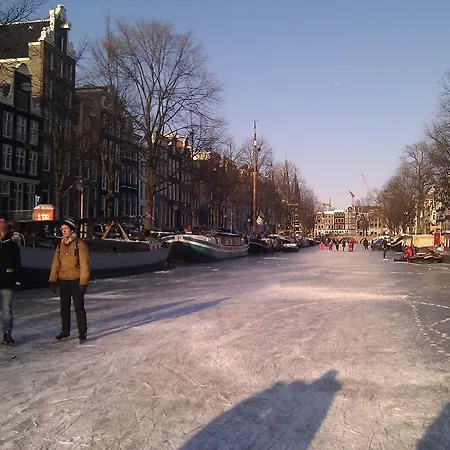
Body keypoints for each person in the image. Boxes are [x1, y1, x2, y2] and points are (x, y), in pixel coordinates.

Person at [49, 219, 91, 343]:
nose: (63, 231)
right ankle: (65, 330)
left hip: (75, 280)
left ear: (72, 230)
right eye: (62, 229)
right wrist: (53, 280)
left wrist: (83, 282)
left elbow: (85, 264)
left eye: (66, 228)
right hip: (63, 280)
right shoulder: (60, 246)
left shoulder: (79, 245)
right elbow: (56, 264)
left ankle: (82, 333)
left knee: (79, 307)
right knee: (64, 307)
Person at [0, 218, 22, 345]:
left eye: (1, 231)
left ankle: (7, 333)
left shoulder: (12, 247)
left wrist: (18, 280)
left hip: (7, 282)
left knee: (6, 310)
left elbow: (17, 263)